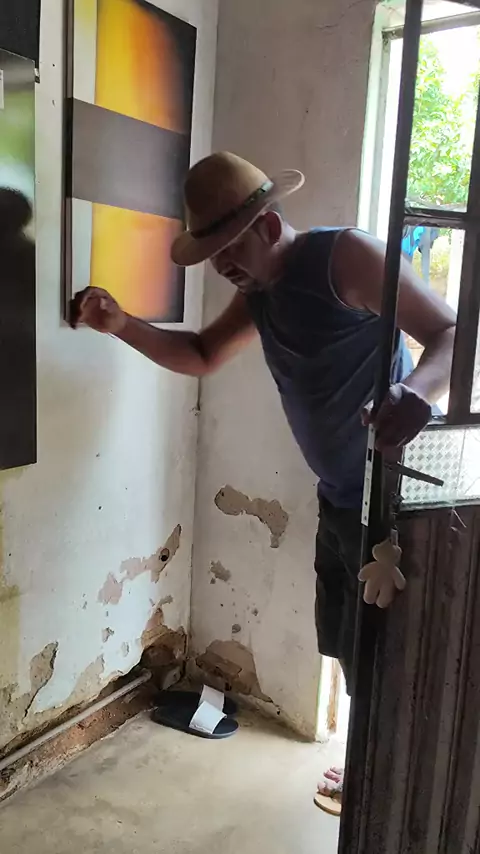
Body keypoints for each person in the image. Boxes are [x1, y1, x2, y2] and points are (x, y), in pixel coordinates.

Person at [70, 152, 456, 815]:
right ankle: (368, 766)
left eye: (229, 249)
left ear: (270, 227)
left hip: (397, 495)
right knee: (350, 642)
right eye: (213, 255)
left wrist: (417, 390)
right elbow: (202, 353)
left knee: (398, 654)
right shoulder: (262, 292)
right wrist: (121, 324)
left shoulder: (346, 258)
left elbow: (452, 330)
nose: (223, 266)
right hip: (341, 496)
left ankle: (398, 793)